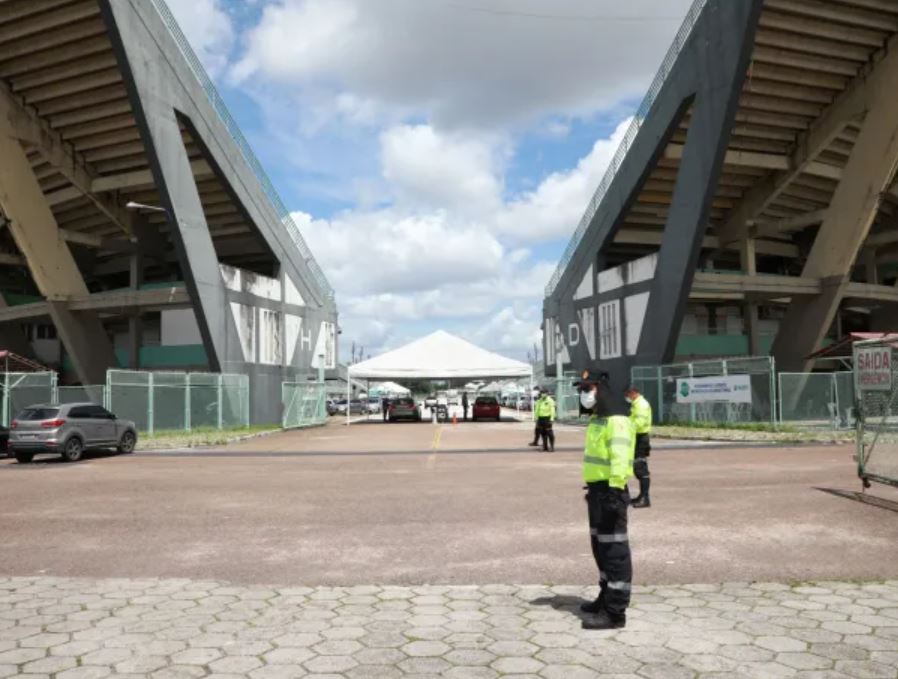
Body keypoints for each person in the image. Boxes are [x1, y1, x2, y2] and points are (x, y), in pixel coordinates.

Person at [576, 370, 635, 630]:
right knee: (600, 547)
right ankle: (605, 596)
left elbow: (620, 458)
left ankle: (615, 612)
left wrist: (613, 490)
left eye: (589, 388)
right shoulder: (599, 418)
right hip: (598, 491)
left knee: (614, 551)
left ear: (603, 389)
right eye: (583, 389)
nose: (585, 394)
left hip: (611, 492)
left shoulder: (617, 420)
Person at [625, 385, 653, 508]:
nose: (626, 397)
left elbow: (639, 424)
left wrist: (625, 427)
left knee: (640, 468)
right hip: (636, 437)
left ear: (633, 392)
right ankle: (642, 496)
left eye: (627, 394)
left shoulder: (641, 404)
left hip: (640, 438)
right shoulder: (636, 404)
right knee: (638, 467)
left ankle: (645, 498)